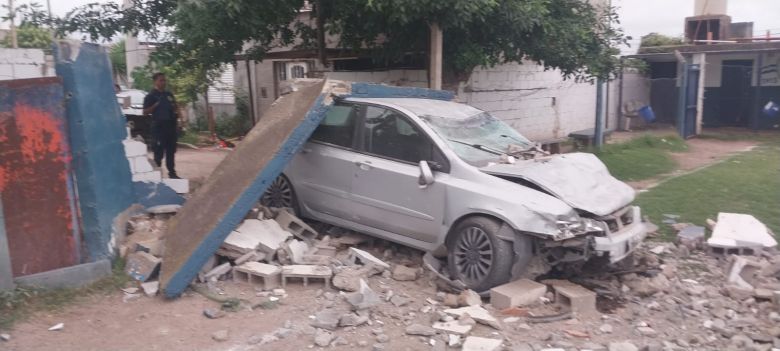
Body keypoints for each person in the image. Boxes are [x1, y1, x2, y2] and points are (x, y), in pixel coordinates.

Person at [143, 72, 180, 179]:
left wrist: (179, 121)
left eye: (164, 80)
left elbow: (175, 107)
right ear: (155, 81)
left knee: (171, 151)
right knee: (158, 152)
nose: (164, 82)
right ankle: (157, 175)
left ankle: (172, 173)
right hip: (159, 128)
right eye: (161, 80)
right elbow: (145, 112)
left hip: (171, 126)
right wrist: (155, 106)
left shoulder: (168, 94)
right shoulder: (151, 96)